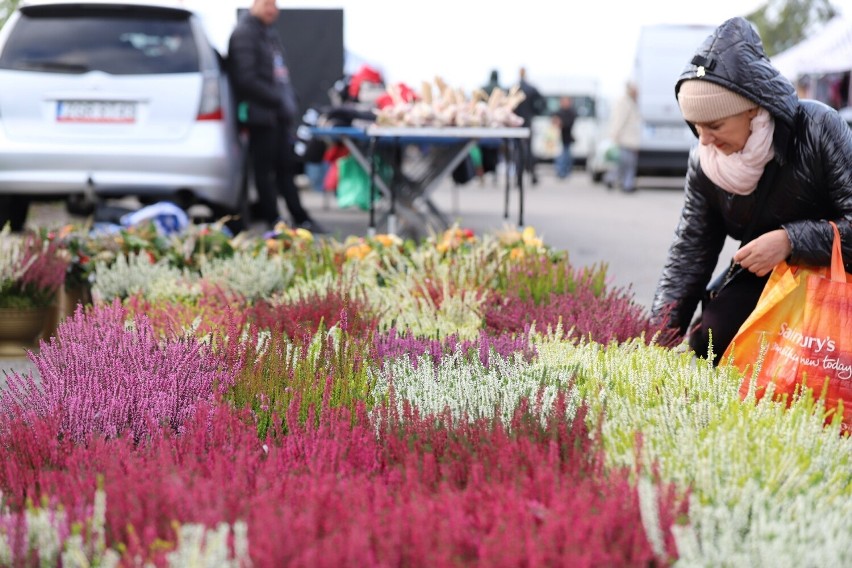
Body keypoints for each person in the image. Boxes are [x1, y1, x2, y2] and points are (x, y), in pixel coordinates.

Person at [650, 16, 852, 365]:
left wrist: (790, 241)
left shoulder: (820, 127)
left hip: (836, 279)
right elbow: (690, 253)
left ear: (755, 108)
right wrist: (655, 341)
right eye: (696, 127)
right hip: (767, 280)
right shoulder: (705, 162)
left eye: (715, 125)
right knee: (711, 338)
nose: (705, 140)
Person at [227, 0, 326, 233]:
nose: (273, 9)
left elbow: (278, 74)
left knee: (285, 170)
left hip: (278, 116)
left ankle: (300, 219)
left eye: (275, 4)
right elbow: (246, 79)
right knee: (264, 172)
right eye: (267, 4)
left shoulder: (266, 33)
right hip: (261, 117)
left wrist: (289, 99)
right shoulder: (244, 34)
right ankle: (274, 221)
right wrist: (278, 99)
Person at [606, 81, 641, 193]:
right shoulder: (624, 102)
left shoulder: (630, 102)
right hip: (625, 139)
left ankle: (618, 181)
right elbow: (619, 120)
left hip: (629, 140)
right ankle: (625, 183)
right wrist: (615, 135)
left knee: (624, 164)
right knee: (626, 163)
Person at [512, 67, 545, 185]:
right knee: (529, 150)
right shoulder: (531, 89)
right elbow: (543, 102)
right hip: (527, 122)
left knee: (518, 150)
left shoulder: (514, 88)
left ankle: (519, 176)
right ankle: (532, 176)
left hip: (515, 123)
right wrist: (536, 111)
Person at [552, 96, 577, 179]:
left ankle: (565, 172)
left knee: (566, 155)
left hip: (567, 137)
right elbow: (553, 120)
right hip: (558, 138)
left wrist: (561, 123)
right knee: (559, 155)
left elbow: (570, 123)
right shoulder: (558, 112)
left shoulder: (571, 112)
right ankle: (560, 171)